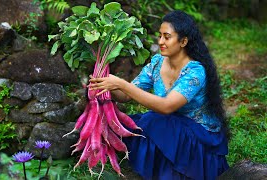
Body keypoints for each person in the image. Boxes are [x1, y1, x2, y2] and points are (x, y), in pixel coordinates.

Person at [89, 10, 229, 180]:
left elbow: (166, 107)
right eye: (160, 36)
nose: (161, 41)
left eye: (167, 37)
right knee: (135, 125)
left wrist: (121, 83)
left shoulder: (195, 71)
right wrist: (105, 85)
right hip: (170, 125)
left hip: (198, 136)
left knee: (153, 120)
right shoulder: (157, 63)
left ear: (183, 41)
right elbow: (125, 95)